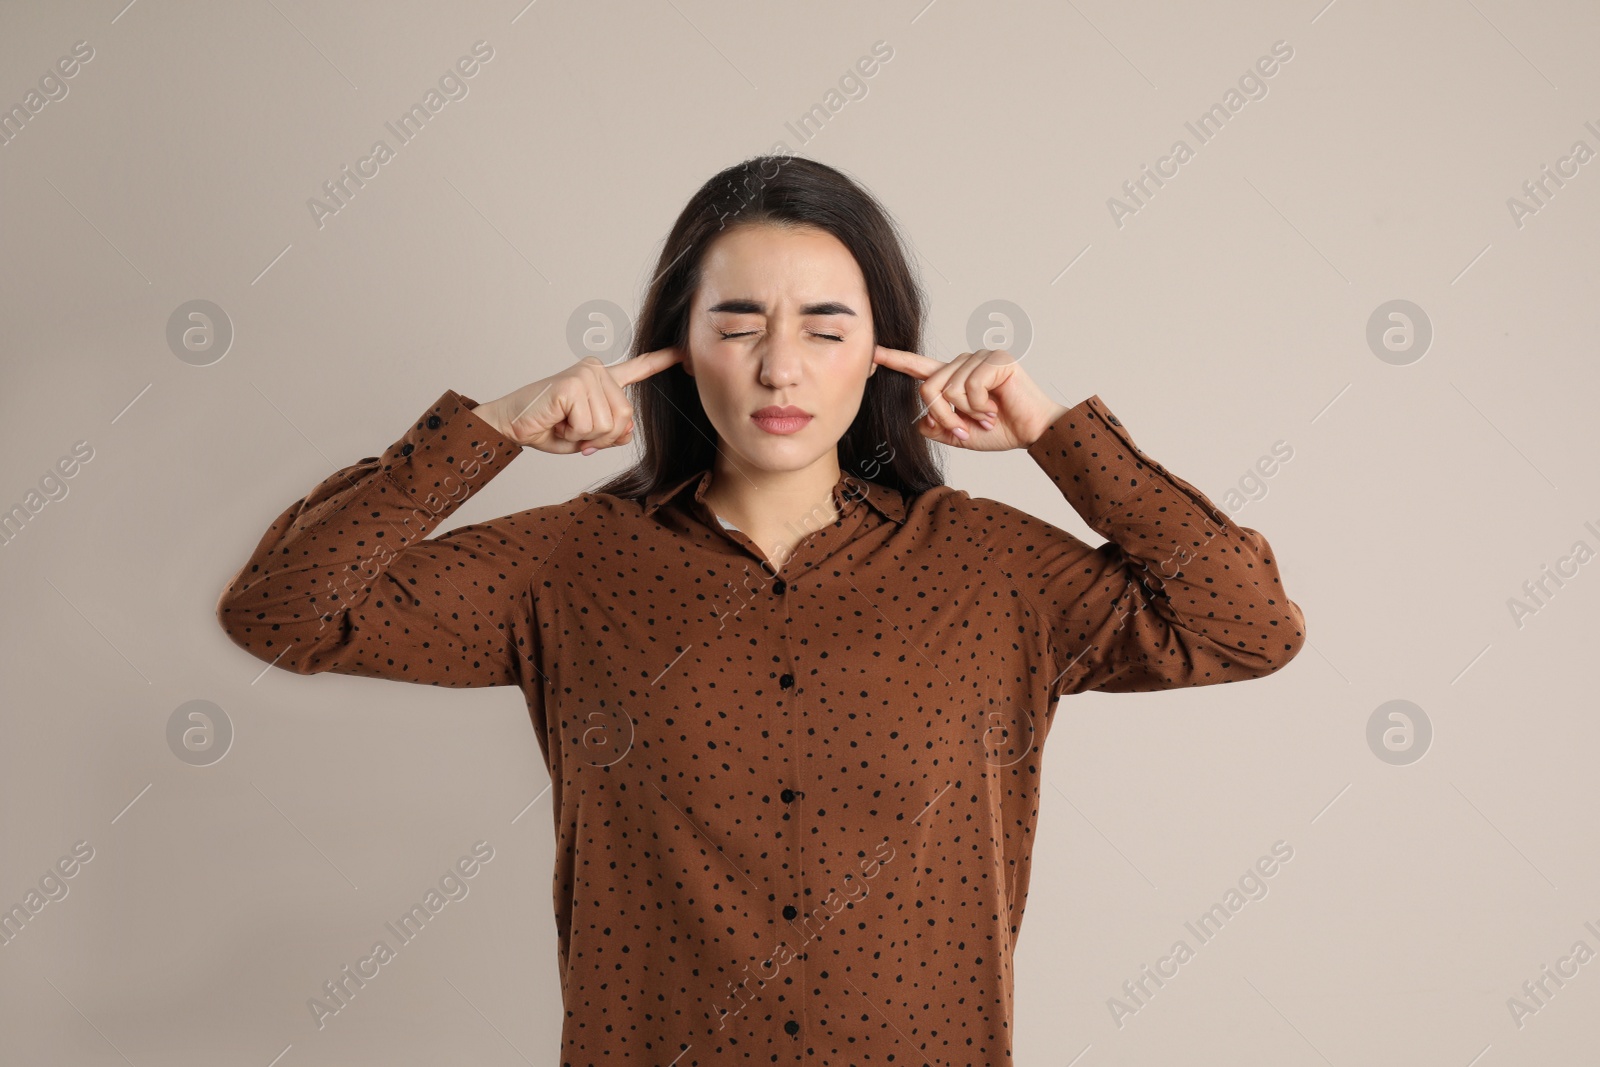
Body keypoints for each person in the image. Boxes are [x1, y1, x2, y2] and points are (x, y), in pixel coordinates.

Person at [215, 154, 1306, 1065]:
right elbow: (284, 612)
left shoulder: (992, 567)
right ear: (678, 348)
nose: (780, 365)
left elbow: (1247, 623)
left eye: (826, 327)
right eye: (737, 324)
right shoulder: (571, 563)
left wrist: (1056, 430)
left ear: (883, 350)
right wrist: (492, 427)